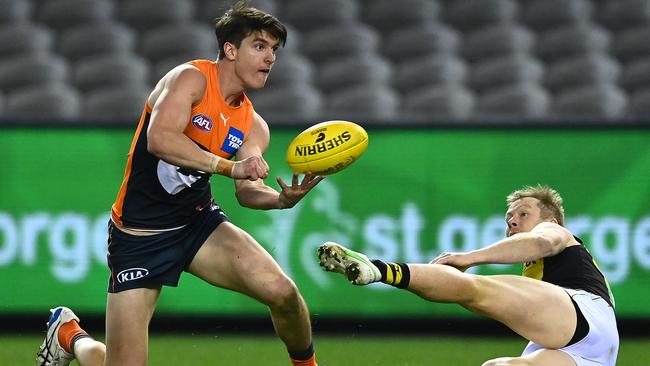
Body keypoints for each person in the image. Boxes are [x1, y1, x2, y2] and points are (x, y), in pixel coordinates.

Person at [37, 3, 323, 366]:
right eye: (260, 46)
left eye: (274, 50)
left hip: (198, 226)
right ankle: (70, 335)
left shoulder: (254, 125)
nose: (270, 58)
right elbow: (161, 139)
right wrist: (230, 167)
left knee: (283, 293)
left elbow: (247, 190)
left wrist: (280, 200)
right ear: (230, 50)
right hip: (139, 237)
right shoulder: (190, 79)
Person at [318, 185, 618, 366]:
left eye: (523, 213)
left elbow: (541, 242)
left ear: (550, 219)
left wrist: (469, 258)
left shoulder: (555, 231)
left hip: (585, 316)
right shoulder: (545, 268)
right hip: (593, 355)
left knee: (474, 290)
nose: (513, 220)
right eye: (509, 218)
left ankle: (380, 270)